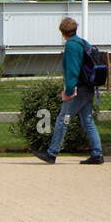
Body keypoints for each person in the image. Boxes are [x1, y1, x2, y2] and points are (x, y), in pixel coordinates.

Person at [34, 17, 103, 165]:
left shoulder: (71, 46)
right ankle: (97, 153)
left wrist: (69, 91)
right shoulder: (84, 42)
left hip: (77, 90)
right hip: (89, 88)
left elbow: (72, 70)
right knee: (88, 121)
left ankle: (52, 153)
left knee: (62, 120)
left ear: (63, 32)